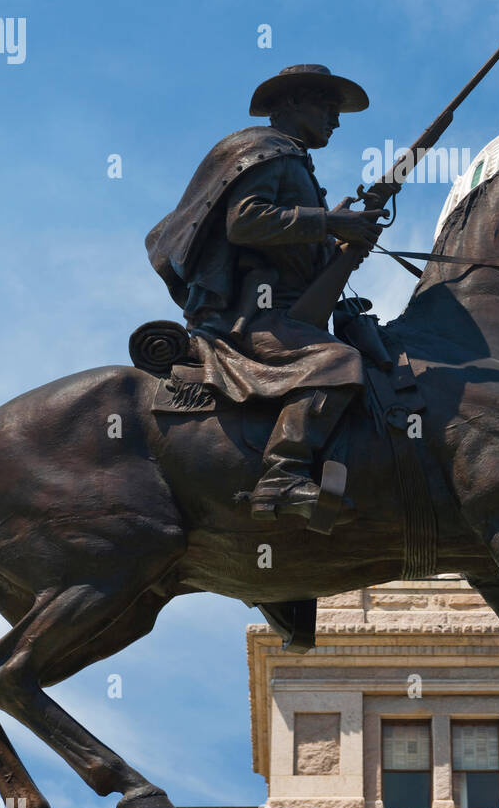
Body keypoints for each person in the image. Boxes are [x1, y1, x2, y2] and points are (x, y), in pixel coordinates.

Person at [146, 64, 383, 526]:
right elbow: (246, 222)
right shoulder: (268, 150)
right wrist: (331, 223)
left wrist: (338, 243)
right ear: (293, 103)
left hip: (285, 313)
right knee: (336, 362)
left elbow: (292, 249)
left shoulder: (292, 160)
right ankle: (282, 474)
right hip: (253, 318)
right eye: (327, 108)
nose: (335, 121)